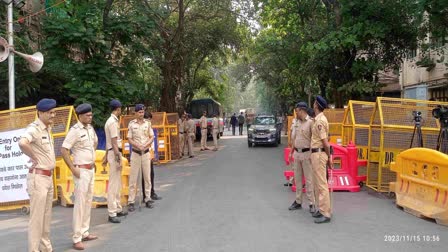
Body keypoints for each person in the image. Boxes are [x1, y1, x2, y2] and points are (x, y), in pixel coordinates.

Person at [19, 98, 57, 252]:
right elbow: (22, 143)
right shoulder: (34, 128)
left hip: (47, 177)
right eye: (50, 112)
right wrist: (34, 157)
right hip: (38, 178)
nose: (53, 115)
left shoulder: (47, 128)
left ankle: (45, 248)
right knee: (37, 219)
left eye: (54, 112)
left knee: (46, 217)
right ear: (40, 113)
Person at [61, 103, 98, 250]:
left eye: (91, 114)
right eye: (87, 115)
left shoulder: (90, 128)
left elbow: (94, 143)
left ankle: (84, 232)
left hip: (90, 169)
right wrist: (73, 168)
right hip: (80, 171)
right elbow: (64, 150)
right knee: (80, 204)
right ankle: (76, 238)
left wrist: (91, 158)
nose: (90, 117)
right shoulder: (75, 131)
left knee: (88, 201)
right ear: (80, 116)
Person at [288, 102, 315, 213]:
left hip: (306, 154)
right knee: (297, 180)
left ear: (302, 110)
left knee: (309, 180)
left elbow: (314, 139)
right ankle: (298, 201)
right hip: (297, 154)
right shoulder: (296, 123)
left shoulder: (310, 123)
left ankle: (312, 203)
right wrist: (291, 152)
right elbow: (295, 139)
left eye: (297, 111)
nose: (296, 113)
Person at [127, 104, 155, 212]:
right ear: (135, 113)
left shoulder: (147, 124)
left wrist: (146, 144)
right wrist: (138, 145)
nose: (141, 114)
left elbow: (152, 136)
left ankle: (147, 198)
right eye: (139, 112)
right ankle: (131, 201)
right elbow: (129, 138)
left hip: (146, 153)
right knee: (133, 179)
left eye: (142, 112)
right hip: (135, 153)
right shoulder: (131, 124)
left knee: (147, 178)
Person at [104, 99, 127, 223]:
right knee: (113, 184)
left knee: (117, 183)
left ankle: (118, 208)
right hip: (115, 153)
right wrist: (118, 156)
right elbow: (113, 141)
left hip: (113, 152)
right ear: (118, 109)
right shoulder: (112, 122)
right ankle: (112, 212)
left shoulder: (113, 121)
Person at [310, 95, 333, 224]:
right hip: (316, 154)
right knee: (318, 184)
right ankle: (321, 208)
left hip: (319, 154)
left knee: (322, 184)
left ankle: (326, 213)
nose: (313, 104)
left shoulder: (320, 121)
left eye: (314, 102)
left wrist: (329, 157)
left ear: (316, 105)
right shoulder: (318, 119)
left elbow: (325, 142)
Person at [144, 111, 162, 201]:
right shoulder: (142, 129)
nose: (149, 122)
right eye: (148, 120)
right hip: (144, 154)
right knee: (145, 176)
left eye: (150, 120)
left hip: (149, 154)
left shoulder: (149, 128)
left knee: (151, 175)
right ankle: (146, 195)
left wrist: (153, 154)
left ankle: (151, 193)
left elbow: (152, 143)